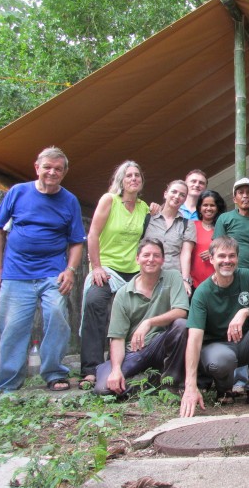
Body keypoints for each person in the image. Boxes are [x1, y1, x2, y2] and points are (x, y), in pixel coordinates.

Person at [0, 147, 86, 392]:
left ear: (64, 173)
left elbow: (76, 242)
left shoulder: (69, 200)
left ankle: (54, 372)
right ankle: (9, 385)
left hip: (52, 272)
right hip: (16, 272)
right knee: (13, 328)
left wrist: (71, 270)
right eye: (47, 167)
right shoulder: (18, 193)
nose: (52, 172)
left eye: (58, 169)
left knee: (57, 316)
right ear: (37, 167)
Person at [180, 236, 249, 414]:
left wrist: (246, 311)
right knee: (222, 360)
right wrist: (190, 385)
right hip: (216, 349)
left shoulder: (247, 276)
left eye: (231, 256)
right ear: (211, 259)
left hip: (243, 344)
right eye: (221, 256)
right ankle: (224, 388)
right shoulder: (202, 293)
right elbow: (194, 340)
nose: (227, 261)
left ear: (237, 258)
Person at [80, 160, 149, 389]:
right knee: (94, 302)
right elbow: (92, 235)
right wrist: (96, 266)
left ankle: (130, 364)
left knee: (141, 309)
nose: (133, 179)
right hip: (107, 268)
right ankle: (90, 368)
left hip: (134, 271)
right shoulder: (109, 200)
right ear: (121, 180)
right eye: (128, 175)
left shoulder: (144, 207)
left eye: (137, 175)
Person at [93, 239, 189, 395]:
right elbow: (117, 337)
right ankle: (151, 383)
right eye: (146, 255)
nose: (151, 259)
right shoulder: (123, 294)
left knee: (181, 325)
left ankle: (171, 383)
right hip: (135, 351)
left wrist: (149, 322)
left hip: (160, 345)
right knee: (103, 389)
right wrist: (116, 369)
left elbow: (181, 311)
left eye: (156, 256)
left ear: (163, 260)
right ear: (137, 259)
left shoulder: (173, 277)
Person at [143, 179, 196, 294]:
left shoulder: (187, 224)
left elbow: (186, 253)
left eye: (182, 195)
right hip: (146, 275)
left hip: (172, 278)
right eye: (174, 192)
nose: (177, 196)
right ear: (166, 193)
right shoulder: (148, 217)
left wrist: (185, 280)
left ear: (185, 199)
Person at [213, 178, 249, 271]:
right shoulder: (225, 218)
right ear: (234, 199)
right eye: (241, 193)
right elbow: (217, 247)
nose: (245, 196)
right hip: (230, 270)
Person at [190, 190, 226, 290]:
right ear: (199, 207)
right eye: (205, 205)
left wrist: (214, 252)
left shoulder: (224, 227)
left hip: (219, 281)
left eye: (212, 205)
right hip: (193, 282)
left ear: (218, 207)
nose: (208, 208)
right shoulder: (191, 225)